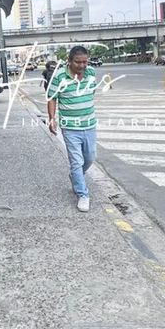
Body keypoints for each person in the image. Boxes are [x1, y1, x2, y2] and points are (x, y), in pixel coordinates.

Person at [46, 46, 99, 212]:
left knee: (90, 157)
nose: (82, 65)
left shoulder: (91, 72)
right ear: (69, 61)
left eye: (84, 62)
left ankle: (75, 176)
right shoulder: (59, 76)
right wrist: (52, 119)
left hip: (89, 125)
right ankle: (82, 194)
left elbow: (92, 92)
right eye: (78, 62)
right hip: (70, 128)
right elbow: (52, 98)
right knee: (77, 161)